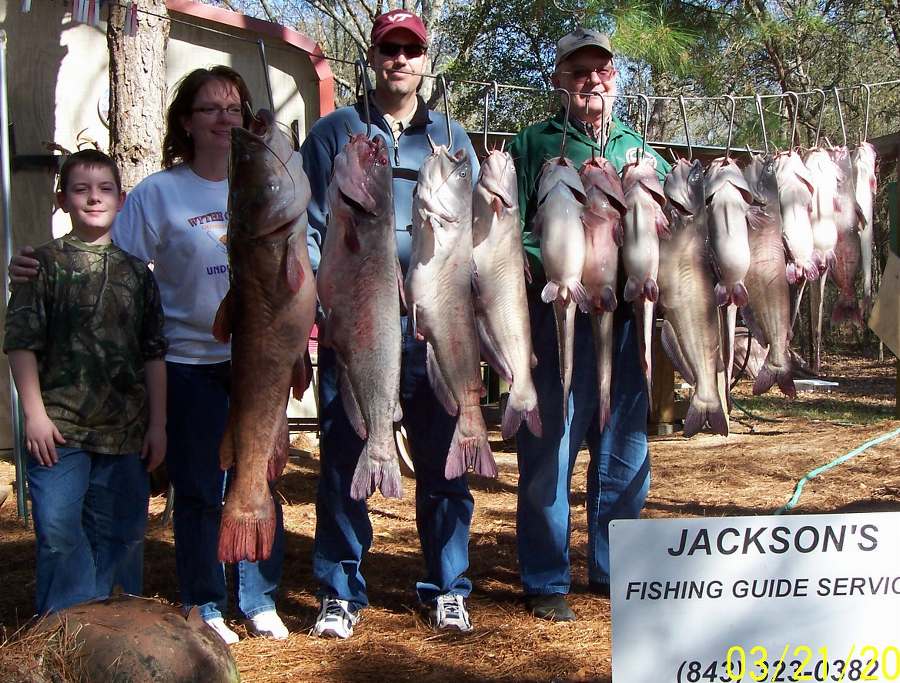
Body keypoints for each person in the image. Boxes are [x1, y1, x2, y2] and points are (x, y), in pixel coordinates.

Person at [10, 67, 288, 643]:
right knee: (198, 488)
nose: (224, 119)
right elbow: (115, 268)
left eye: (234, 108)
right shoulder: (160, 192)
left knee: (262, 473)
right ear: (186, 121)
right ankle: (206, 601)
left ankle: (259, 596)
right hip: (189, 362)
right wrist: (37, 264)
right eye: (209, 109)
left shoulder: (267, 180)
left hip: (259, 360)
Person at [300, 9, 481, 638]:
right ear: (373, 57)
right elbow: (309, 230)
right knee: (343, 457)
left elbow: (474, 238)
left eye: (411, 49)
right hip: (358, 328)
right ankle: (340, 591)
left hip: (435, 329)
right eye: (389, 49)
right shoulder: (332, 135)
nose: (399, 60)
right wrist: (325, 309)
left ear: (426, 60)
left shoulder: (454, 141)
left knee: (446, 463)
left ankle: (448, 586)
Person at [508, 28, 671, 621]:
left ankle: (615, 569)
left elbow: (662, 230)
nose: (591, 81)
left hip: (626, 319)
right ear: (559, 79)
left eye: (601, 70)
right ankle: (547, 576)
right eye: (578, 71)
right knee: (550, 444)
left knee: (624, 445)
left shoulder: (639, 148)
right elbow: (511, 225)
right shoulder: (533, 143)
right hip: (556, 314)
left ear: (615, 78)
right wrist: (554, 265)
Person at [4, 150, 167, 615]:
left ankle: (114, 639)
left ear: (121, 198)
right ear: (62, 199)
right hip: (59, 433)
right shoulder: (41, 265)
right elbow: (21, 343)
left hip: (126, 434)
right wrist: (33, 415)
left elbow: (154, 354)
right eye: (81, 189)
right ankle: (65, 632)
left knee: (122, 535)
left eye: (105, 189)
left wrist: (159, 425)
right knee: (58, 532)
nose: (93, 198)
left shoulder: (137, 274)